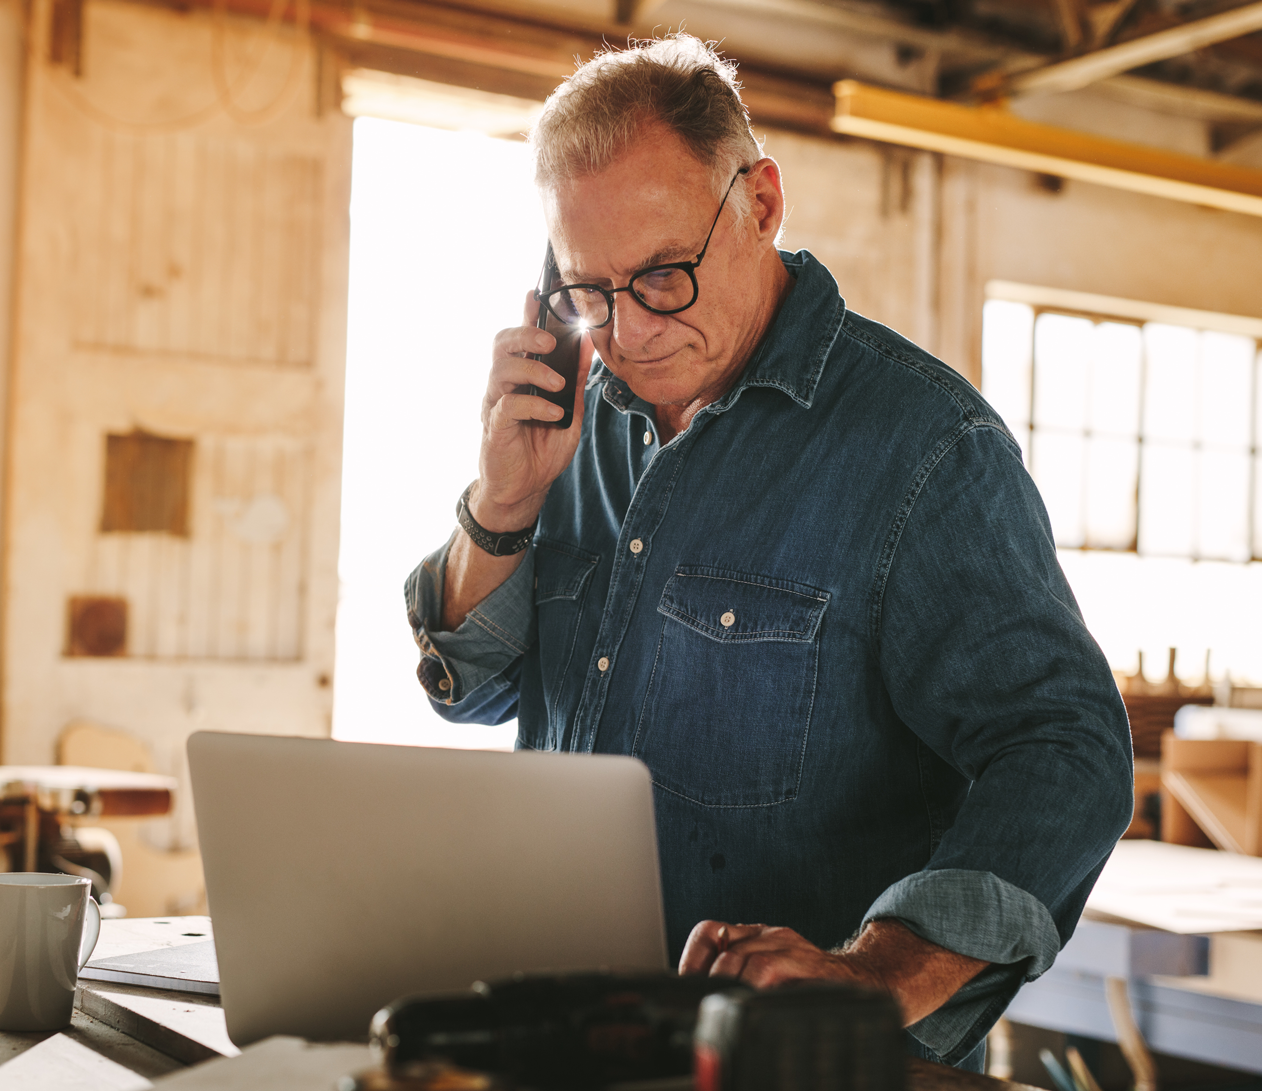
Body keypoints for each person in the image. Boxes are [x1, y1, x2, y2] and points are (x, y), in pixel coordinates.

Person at [403, 34, 1133, 1070]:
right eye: (587, 291)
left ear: (760, 203)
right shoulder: (573, 419)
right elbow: (466, 690)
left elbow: (1067, 752)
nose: (627, 332)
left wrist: (876, 975)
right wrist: (503, 501)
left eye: (660, 276)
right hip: (575, 1040)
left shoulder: (924, 449)